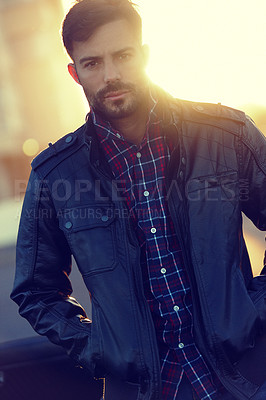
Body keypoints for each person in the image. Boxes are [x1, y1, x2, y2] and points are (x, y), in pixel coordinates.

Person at [11, 1, 266, 399]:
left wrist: (256, 310)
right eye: (93, 63)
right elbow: (36, 291)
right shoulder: (54, 175)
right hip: (143, 390)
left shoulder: (226, 135)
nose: (112, 75)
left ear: (145, 55)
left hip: (247, 378)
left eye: (124, 56)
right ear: (74, 73)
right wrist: (95, 346)